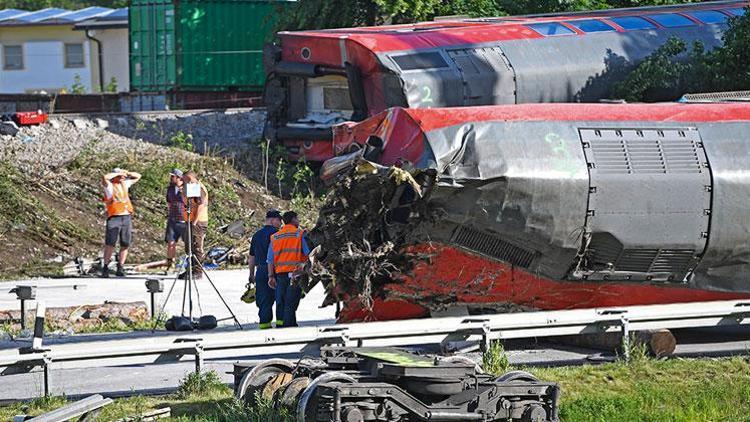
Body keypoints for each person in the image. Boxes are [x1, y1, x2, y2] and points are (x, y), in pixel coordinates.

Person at [267, 211, 310, 328]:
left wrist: (271, 276)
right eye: (297, 218)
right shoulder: (299, 234)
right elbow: (308, 253)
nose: (299, 221)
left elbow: (270, 259)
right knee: (291, 302)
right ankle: (288, 326)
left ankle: (285, 324)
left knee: (281, 300)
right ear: (293, 220)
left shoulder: (275, 237)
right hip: (295, 274)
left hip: (280, 274)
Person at [101, 167, 141, 277]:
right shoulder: (109, 186)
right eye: (119, 176)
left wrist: (126, 172)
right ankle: (105, 267)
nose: (122, 177)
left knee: (125, 243)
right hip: (115, 217)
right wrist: (116, 174)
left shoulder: (125, 184)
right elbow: (105, 177)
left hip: (126, 216)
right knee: (110, 244)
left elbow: (138, 176)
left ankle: (120, 266)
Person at [247, 210, 283, 329]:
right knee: (280, 298)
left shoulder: (256, 235)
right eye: (279, 221)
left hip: (261, 271)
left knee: (263, 300)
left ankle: (264, 325)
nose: (281, 224)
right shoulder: (278, 234)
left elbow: (251, 256)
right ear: (272, 220)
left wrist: (251, 274)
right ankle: (281, 324)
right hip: (276, 271)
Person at [180, 171, 209, 280]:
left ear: (191, 178)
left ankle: (197, 271)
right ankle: (190, 269)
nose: (184, 182)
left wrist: (195, 221)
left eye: (185, 180)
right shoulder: (190, 188)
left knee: (196, 246)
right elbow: (187, 203)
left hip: (198, 222)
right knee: (189, 247)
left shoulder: (199, 188)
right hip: (190, 220)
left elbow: (201, 205)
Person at [165, 169, 186, 272]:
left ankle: (188, 265)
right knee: (171, 243)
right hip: (172, 219)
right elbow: (169, 202)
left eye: (173, 176)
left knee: (188, 244)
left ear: (179, 178)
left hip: (184, 220)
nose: (171, 178)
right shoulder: (170, 189)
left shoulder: (186, 188)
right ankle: (170, 265)